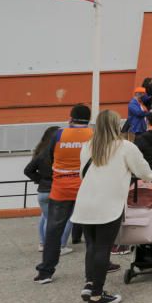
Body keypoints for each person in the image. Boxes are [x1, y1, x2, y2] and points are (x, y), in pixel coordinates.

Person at [72, 110, 152, 303]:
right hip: (108, 204)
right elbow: (144, 172)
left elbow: (84, 173)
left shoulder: (87, 147)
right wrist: (150, 178)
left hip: (85, 202)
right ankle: (97, 296)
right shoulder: (126, 147)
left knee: (92, 246)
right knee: (103, 247)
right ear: (116, 125)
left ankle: (90, 283)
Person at [34, 104, 93, 284]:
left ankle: (45, 271)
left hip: (60, 188)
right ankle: (99, 266)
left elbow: (48, 157)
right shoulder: (93, 135)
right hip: (85, 188)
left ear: (71, 118)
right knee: (93, 231)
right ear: (89, 119)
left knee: (53, 231)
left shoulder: (58, 134)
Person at [24, 126, 72, 254]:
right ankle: (60, 246)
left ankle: (43, 244)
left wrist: (40, 180)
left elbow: (27, 170)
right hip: (56, 190)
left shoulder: (40, 152)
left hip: (42, 192)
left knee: (45, 217)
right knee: (67, 219)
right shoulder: (57, 153)